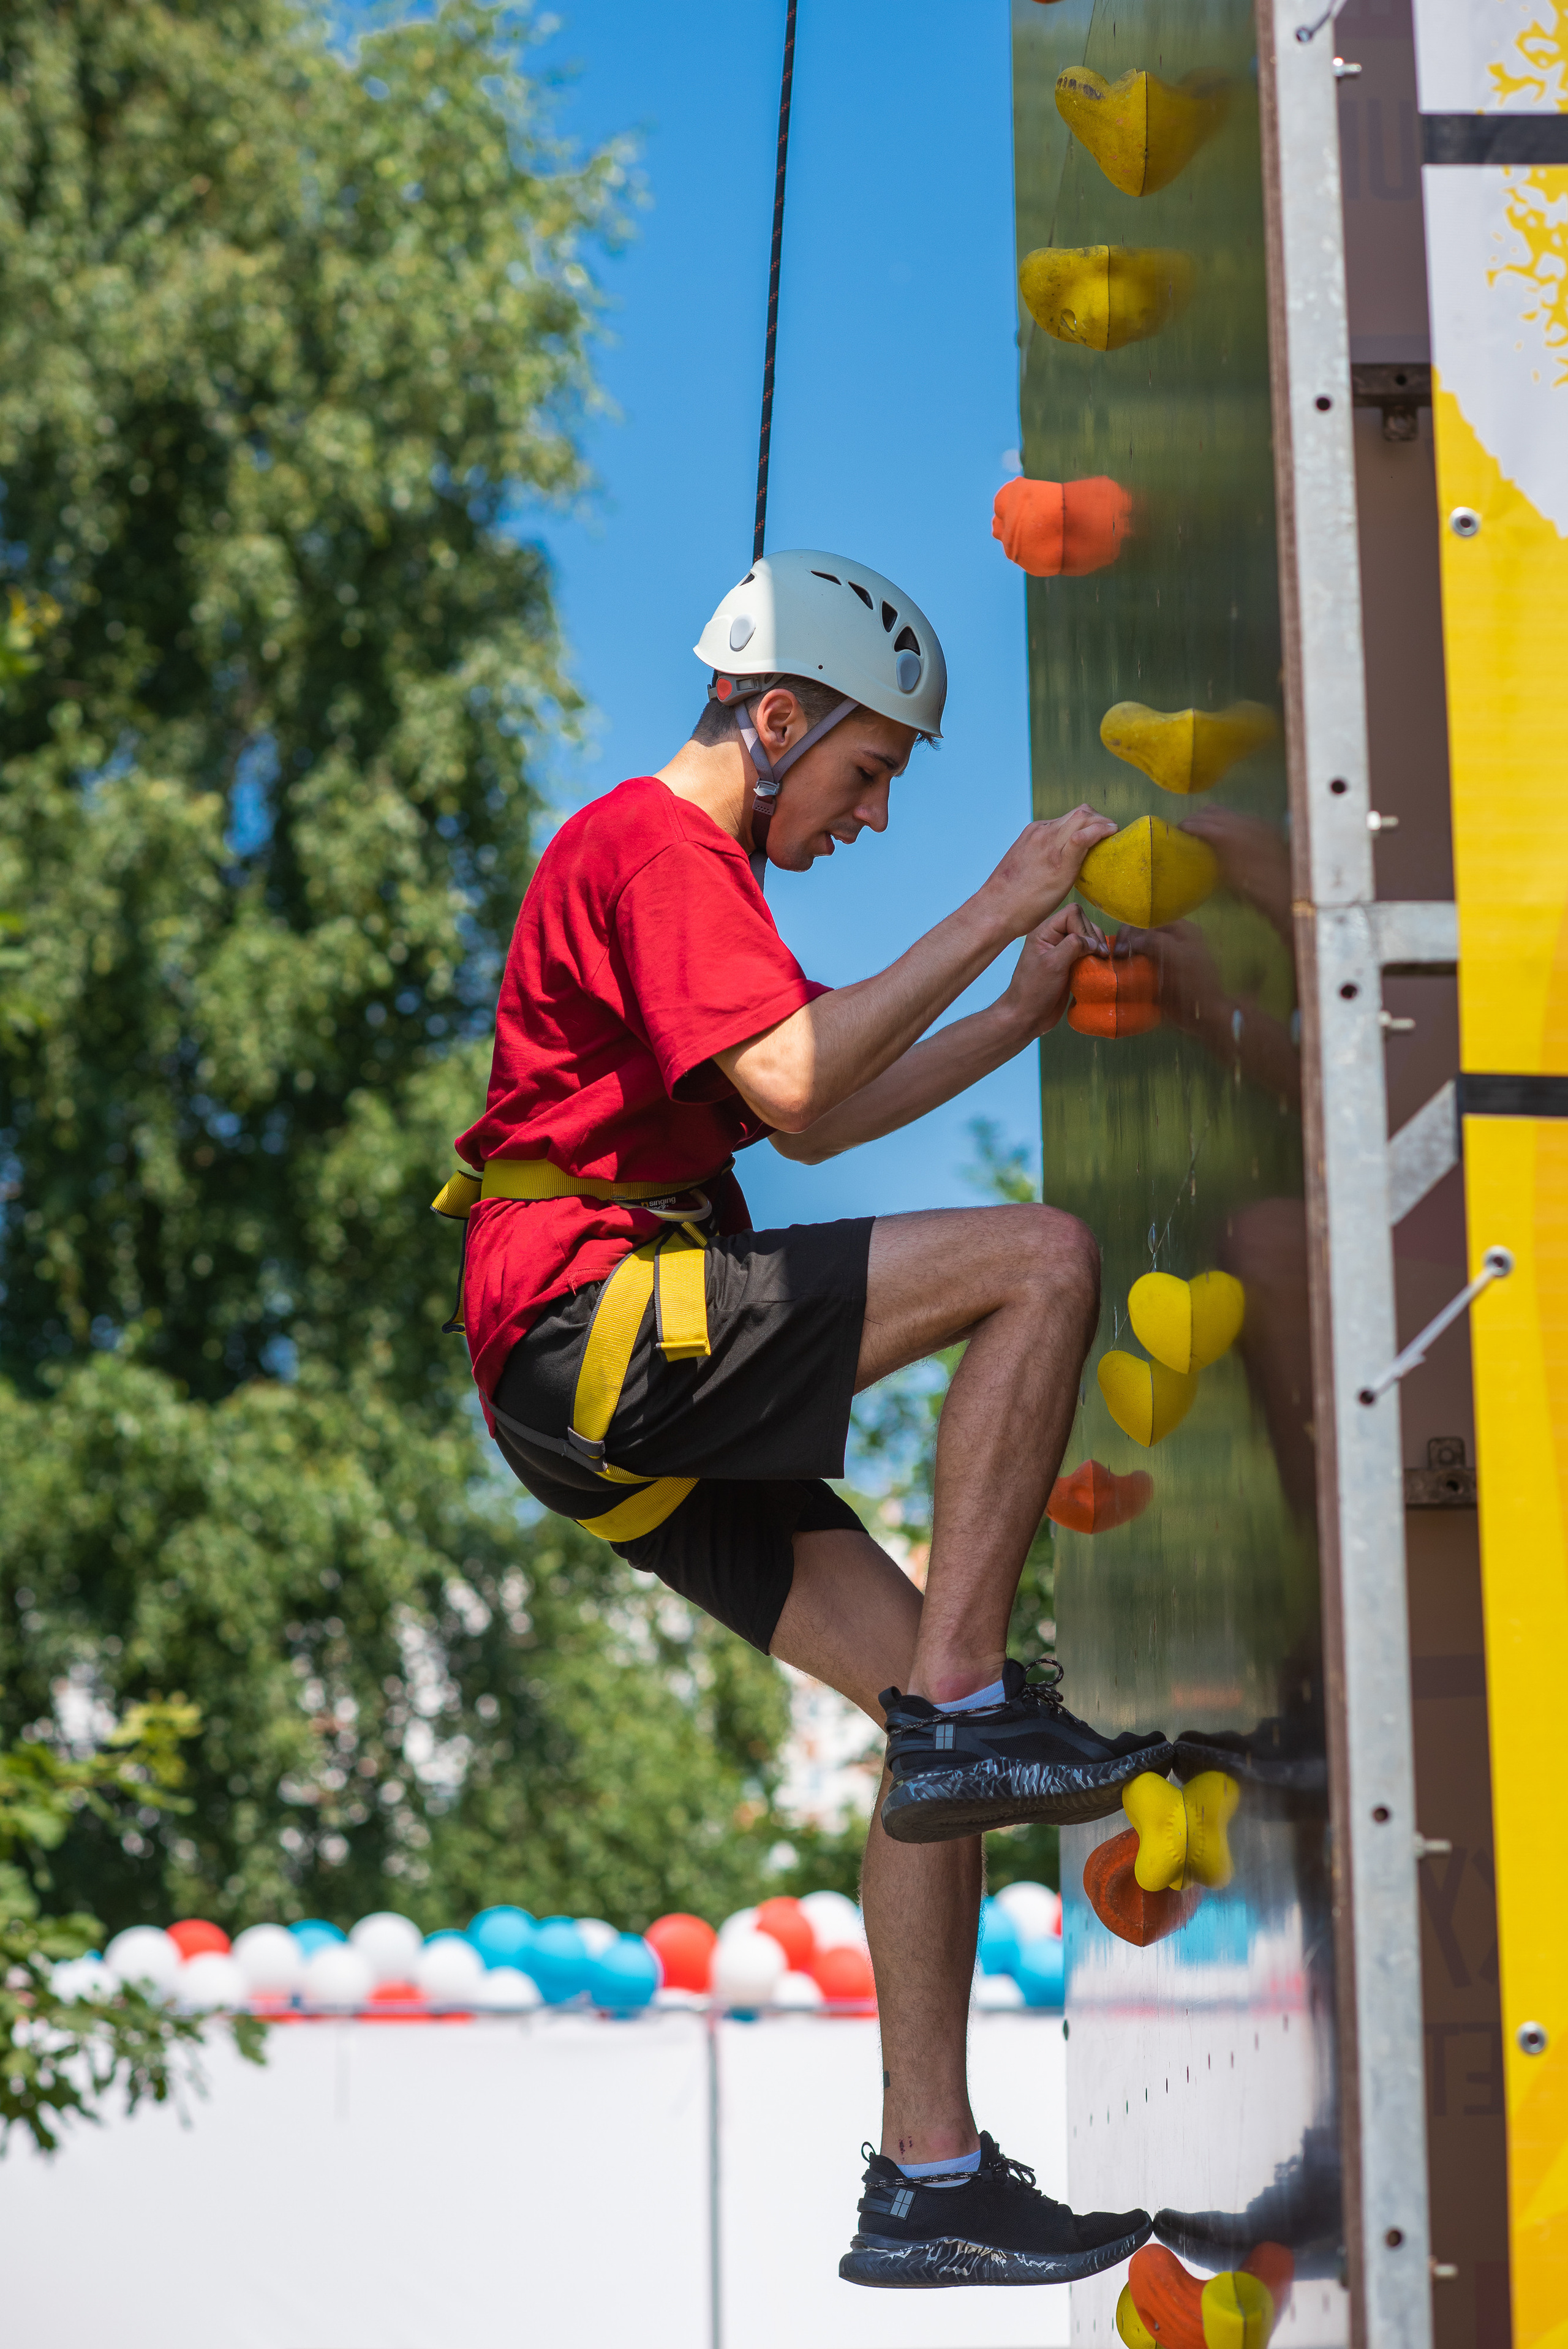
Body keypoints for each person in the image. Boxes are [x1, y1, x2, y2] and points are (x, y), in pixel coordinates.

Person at [442, 551, 1166, 2287]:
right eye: (864, 770)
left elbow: (819, 1118)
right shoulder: (652, 844)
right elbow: (797, 1075)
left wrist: (1009, 1015)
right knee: (1043, 1262)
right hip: (593, 1319)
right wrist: (999, 904)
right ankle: (974, 1710)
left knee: (922, 1701)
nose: (872, 813)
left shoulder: (689, 879)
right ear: (775, 718)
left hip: (589, 1372)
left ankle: (929, 2172)